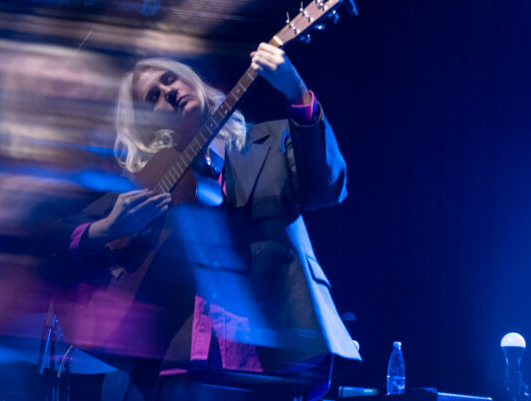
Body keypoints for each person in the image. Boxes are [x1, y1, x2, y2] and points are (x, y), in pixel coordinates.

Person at [45, 43, 361, 401]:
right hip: (177, 359)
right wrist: (106, 228)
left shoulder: (271, 140)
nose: (168, 92)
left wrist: (296, 92)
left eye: (170, 79)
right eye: (153, 97)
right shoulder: (146, 183)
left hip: (272, 351)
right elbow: (52, 239)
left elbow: (327, 188)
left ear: (192, 81)